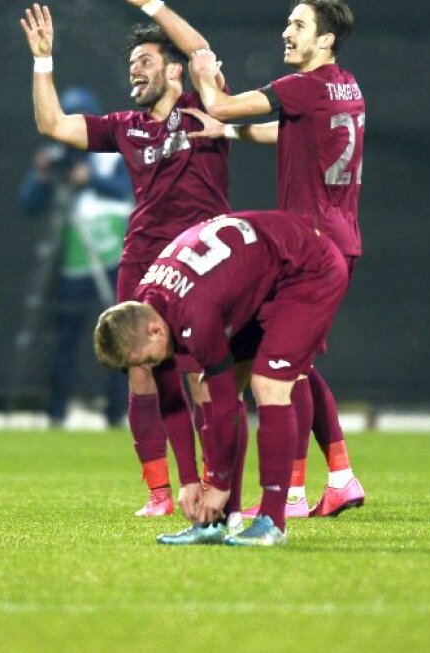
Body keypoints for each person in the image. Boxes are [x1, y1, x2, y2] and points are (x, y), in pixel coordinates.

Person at [109, 0, 366, 518]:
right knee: (277, 368)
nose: (287, 32)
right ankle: (318, 481)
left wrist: (205, 80)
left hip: (310, 248)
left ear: (325, 38)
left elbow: (222, 101)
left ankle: (278, 497)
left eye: (298, 25)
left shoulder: (302, 85)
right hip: (330, 237)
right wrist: (228, 128)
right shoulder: (342, 88)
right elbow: (287, 132)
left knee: (268, 376)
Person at [19, 1, 232, 517]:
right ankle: (159, 492)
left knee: (205, 374)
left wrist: (151, 4)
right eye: (131, 63)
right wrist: (43, 60)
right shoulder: (125, 127)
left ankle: (214, 483)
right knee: (142, 369)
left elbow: (202, 50)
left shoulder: (208, 107)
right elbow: (53, 124)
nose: (133, 70)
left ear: (173, 69)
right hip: (143, 260)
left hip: (202, 260)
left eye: (144, 60)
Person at [93, 211, 350, 547]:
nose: (146, 368)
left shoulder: (194, 314)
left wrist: (219, 483)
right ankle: (217, 520)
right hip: (262, 277)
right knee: (205, 388)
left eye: (143, 360)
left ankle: (273, 521)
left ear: (154, 331)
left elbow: (228, 404)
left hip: (309, 268)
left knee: (268, 384)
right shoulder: (150, 302)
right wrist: (188, 480)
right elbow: (172, 402)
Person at [18, 86, 133, 428]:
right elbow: (28, 204)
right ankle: (57, 411)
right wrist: (41, 176)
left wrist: (92, 179)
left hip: (112, 256)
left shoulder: (113, 156)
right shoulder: (56, 157)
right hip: (73, 263)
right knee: (64, 338)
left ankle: (116, 412)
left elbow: (131, 193)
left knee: (120, 333)